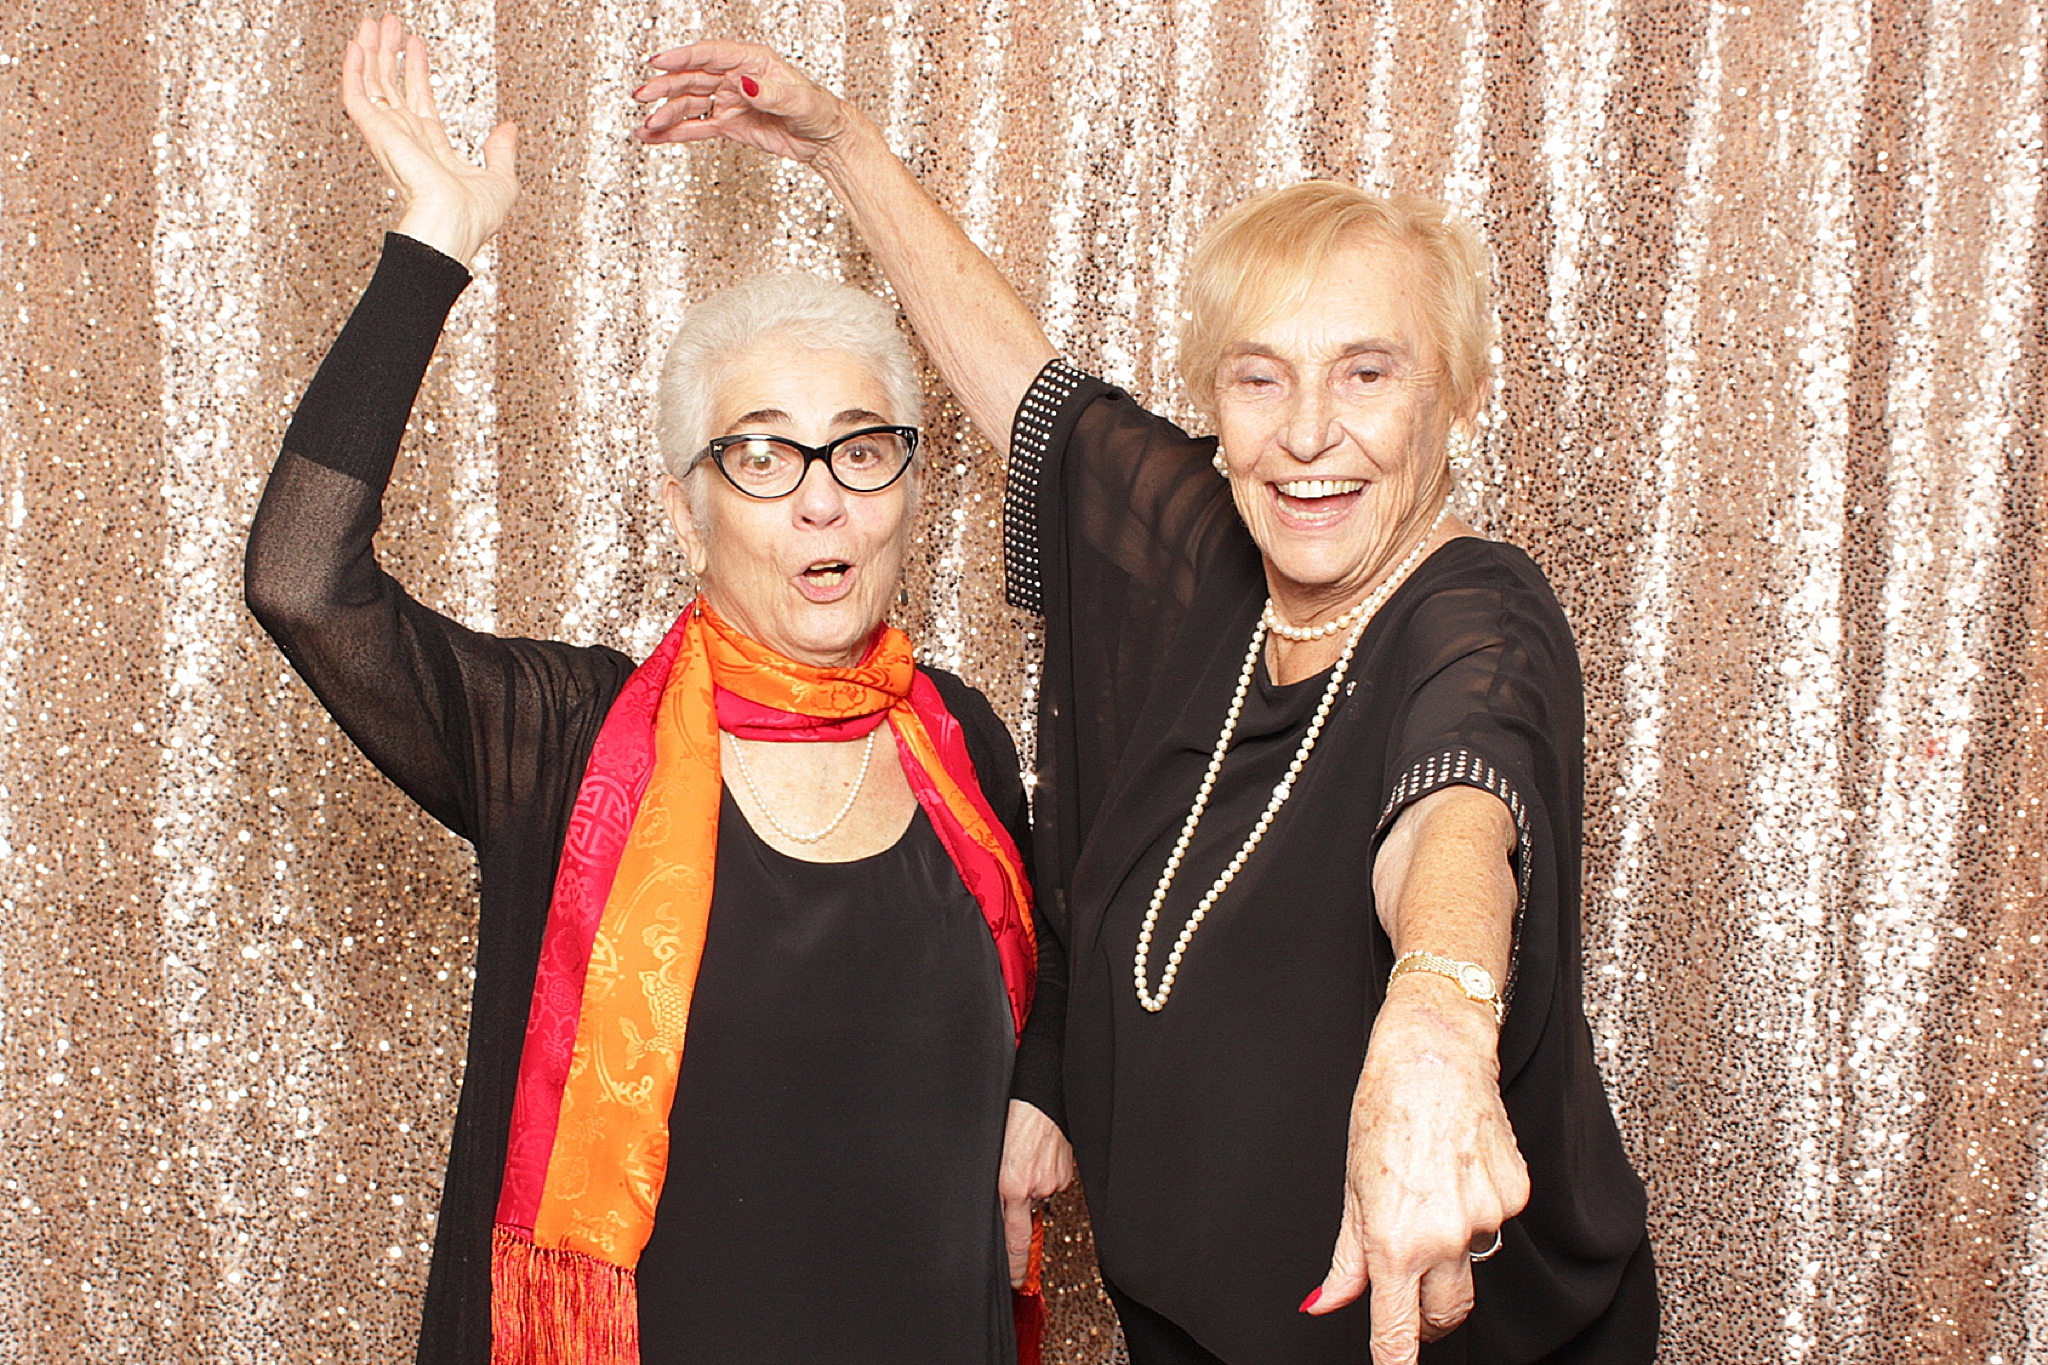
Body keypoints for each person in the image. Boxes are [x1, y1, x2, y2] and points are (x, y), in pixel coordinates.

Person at [630, 43, 1659, 1365]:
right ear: (1218, 412)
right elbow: (1035, 401)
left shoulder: (1475, 612)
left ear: (1457, 394)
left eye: (1366, 372)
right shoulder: (1216, 569)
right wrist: (843, 146)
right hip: (1199, 1334)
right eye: (1258, 377)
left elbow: (1461, 806)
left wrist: (1439, 1025)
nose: (1305, 434)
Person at [244, 17, 1074, 1364]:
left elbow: (1072, 957)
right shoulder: (564, 741)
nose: (821, 497)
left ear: (909, 491)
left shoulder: (958, 737)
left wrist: (1046, 1098)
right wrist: (434, 247)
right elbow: (301, 578)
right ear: (689, 515)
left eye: (864, 450)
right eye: (762, 456)